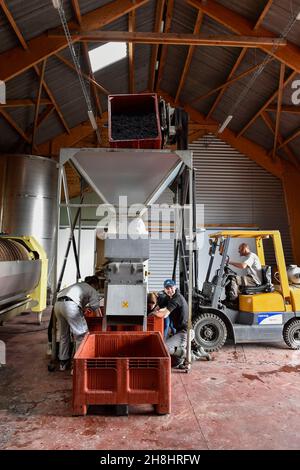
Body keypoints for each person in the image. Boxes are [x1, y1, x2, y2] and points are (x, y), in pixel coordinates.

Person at [54, 275, 101, 371]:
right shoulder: (92, 289)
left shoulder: (78, 285)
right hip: (70, 306)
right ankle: (76, 366)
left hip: (58, 305)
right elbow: (96, 308)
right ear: (94, 284)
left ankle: (63, 363)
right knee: (81, 335)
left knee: (64, 335)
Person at [153, 279, 188, 367]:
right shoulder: (170, 297)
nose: (170, 290)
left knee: (164, 348)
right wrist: (156, 309)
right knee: (174, 362)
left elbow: (164, 314)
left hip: (185, 332)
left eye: (171, 288)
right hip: (179, 331)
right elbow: (161, 307)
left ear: (175, 287)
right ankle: (181, 358)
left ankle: (187, 353)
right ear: (164, 289)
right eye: (167, 288)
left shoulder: (177, 298)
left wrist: (153, 314)